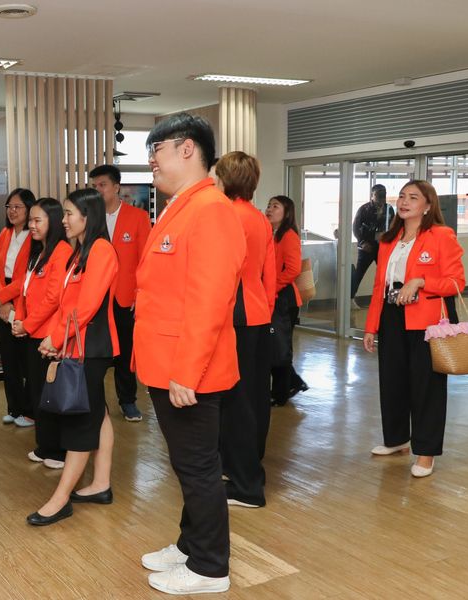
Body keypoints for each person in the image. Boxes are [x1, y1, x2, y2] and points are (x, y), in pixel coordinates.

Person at [134, 114, 244, 595]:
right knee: (188, 464)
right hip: (167, 362)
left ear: (186, 149)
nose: (151, 162)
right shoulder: (183, 205)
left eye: (155, 150)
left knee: (198, 468)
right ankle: (190, 544)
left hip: (188, 368)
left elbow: (209, 301)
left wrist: (186, 372)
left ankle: (210, 568)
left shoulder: (211, 210)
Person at [26, 188, 118, 526]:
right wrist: (55, 339)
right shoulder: (79, 252)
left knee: (81, 422)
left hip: (92, 347)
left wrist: (55, 338)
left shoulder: (101, 250)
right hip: (75, 344)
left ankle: (60, 499)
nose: (63, 220)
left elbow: (87, 306)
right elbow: (66, 305)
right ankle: (101, 484)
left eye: (68, 214)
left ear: (87, 216)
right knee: (98, 413)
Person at [363, 180, 465, 478]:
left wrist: (421, 281)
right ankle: (396, 439)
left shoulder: (441, 235)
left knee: (426, 387)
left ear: (428, 206)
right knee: (392, 380)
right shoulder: (388, 240)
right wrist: (371, 326)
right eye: (402, 196)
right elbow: (379, 286)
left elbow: (456, 282)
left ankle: (426, 452)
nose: (404, 202)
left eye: (413, 197)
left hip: (428, 320)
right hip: (392, 315)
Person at [213, 152, 276, 509]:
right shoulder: (259, 218)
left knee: (236, 401)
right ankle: (243, 470)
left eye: (218, 175)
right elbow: (269, 275)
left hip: (234, 315)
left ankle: (246, 484)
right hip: (256, 313)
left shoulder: (228, 215)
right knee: (252, 398)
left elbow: (223, 271)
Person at [11, 197, 72, 469]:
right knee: (37, 392)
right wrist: (19, 318)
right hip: (33, 331)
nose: (32, 225)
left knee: (51, 395)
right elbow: (24, 291)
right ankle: (45, 444)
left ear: (54, 221)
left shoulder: (62, 251)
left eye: (38, 220)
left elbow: (53, 298)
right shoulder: (39, 251)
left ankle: (58, 450)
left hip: (48, 335)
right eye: (31, 220)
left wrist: (27, 324)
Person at [89, 164, 151, 422]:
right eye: (93, 186)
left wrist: (139, 293)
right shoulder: (89, 217)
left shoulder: (137, 217)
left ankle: (128, 401)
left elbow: (146, 260)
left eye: (102, 185)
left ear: (116, 187)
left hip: (126, 297)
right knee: (97, 354)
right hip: (96, 297)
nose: (97, 190)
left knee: (125, 352)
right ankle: (95, 404)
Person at [0, 188, 35, 426]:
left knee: (26, 360)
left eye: (17, 207)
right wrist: (2, 300)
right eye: (9, 207)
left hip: (24, 300)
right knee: (8, 359)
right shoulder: (4, 233)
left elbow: (28, 275)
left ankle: (29, 411)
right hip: (3, 298)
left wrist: (4, 298)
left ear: (29, 209)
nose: (12, 211)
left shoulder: (34, 236)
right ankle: (14, 408)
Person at [266, 195, 309, 406]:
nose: (269, 209)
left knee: (279, 345)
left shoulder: (288, 236)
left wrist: (272, 288)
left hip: (283, 298)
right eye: (269, 205)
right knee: (274, 345)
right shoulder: (271, 234)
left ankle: (280, 393)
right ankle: (294, 383)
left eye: (275, 206)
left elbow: (293, 269)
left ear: (286, 213)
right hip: (272, 296)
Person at [352, 184, 395, 305]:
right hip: (367, 247)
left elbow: (393, 226)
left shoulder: (389, 209)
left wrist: (390, 240)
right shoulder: (364, 209)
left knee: (386, 273)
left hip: (383, 246)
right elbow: (355, 228)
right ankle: (350, 298)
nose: (382, 198)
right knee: (359, 273)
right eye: (379, 195)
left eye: (384, 195)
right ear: (372, 195)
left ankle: (386, 299)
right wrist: (362, 243)